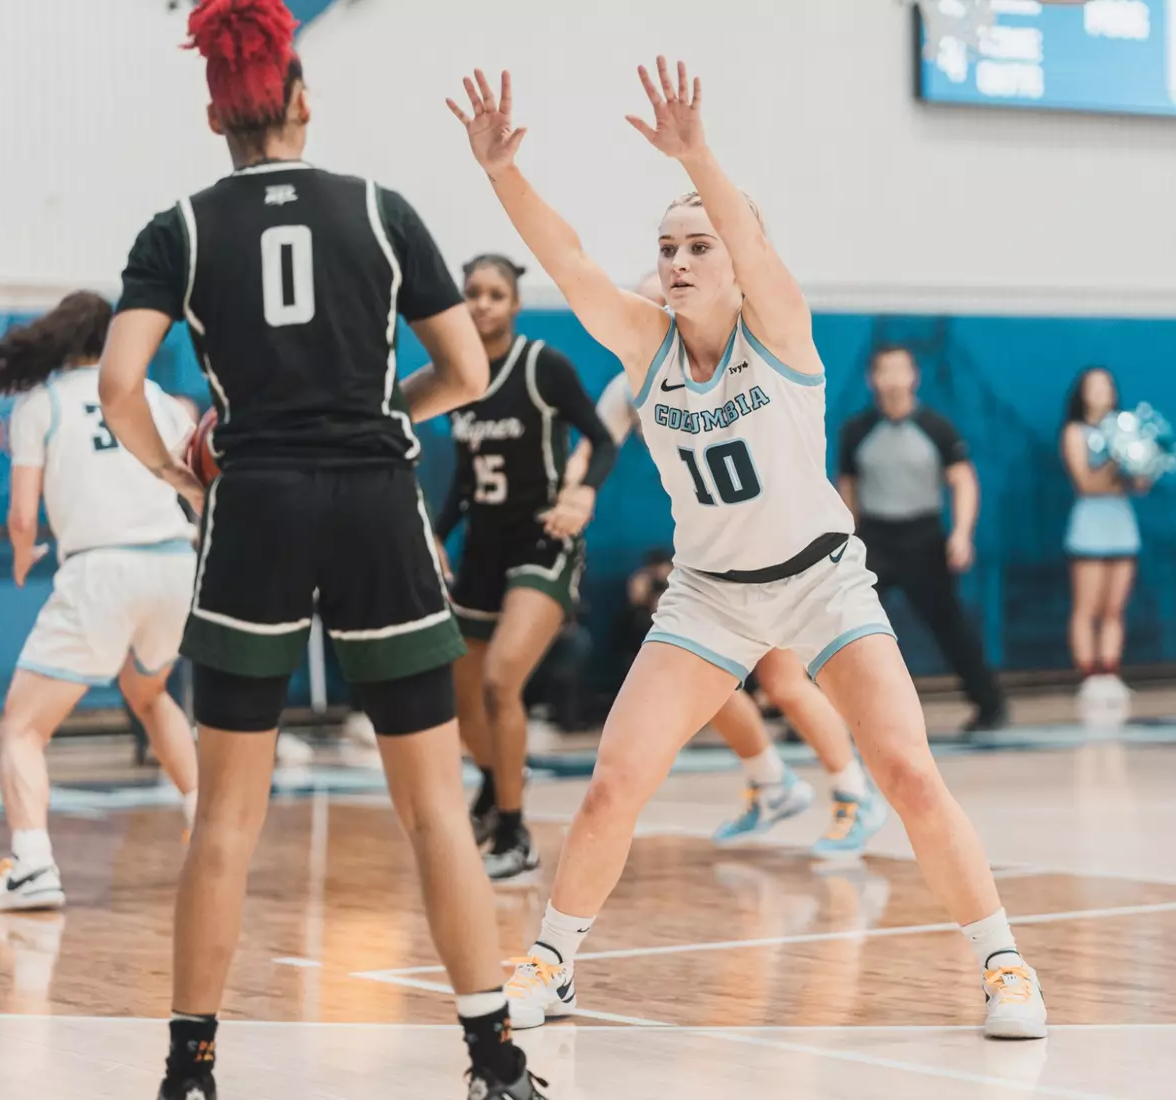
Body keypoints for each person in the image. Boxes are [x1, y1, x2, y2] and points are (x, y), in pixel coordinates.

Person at [448, 59, 1046, 1038]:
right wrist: (502, 173)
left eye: (698, 245)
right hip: (709, 598)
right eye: (667, 246)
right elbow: (569, 261)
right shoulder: (646, 348)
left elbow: (752, 239)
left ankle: (1004, 963)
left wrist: (697, 156)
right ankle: (553, 959)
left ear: (735, 255)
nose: (677, 260)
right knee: (612, 783)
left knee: (905, 768)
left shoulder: (782, 332)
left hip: (821, 583)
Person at [96, 4, 539, 1098]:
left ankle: (191, 1072)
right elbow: (465, 372)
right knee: (436, 803)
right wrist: (392, 406)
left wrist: (175, 467)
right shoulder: (381, 212)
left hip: (255, 504)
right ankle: (494, 1059)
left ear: (215, 112)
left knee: (228, 815)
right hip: (377, 500)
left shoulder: (179, 230)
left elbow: (117, 387)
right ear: (302, 97)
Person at [567, 280, 886, 857]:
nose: (652, 309)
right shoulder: (637, 375)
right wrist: (575, 492)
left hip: (788, 549)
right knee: (703, 678)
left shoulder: (751, 352)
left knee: (785, 682)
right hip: (714, 552)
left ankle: (852, 790)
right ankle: (771, 781)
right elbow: (593, 444)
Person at [0, 292, 202, 912]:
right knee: (149, 693)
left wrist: (21, 554)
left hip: (103, 570)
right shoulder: (159, 398)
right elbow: (197, 484)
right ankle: (208, 825)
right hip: (177, 563)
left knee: (22, 728)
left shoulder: (42, 403)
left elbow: (20, 512)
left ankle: (32, 864)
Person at [434, 252, 617, 882]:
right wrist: (435, 534)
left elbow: (603, 435)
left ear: (514, 304)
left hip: (543, 539)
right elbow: (463, 476)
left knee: (500, 680)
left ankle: (515, 830)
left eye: (494, 294)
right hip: (480, 548)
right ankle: (496, 782)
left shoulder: (542, 365)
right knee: (461, 702)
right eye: (473, 294)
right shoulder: (456, 375)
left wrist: (583, 492)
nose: (482, 303)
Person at [838, 345, 1007, 731]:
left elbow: (963, 480)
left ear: (915, 376)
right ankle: (815, 712)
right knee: (844, 624)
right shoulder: (856, 430)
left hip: (924, 538)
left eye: (902, 370)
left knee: (949, 624)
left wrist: (962, 534)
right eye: (885, 370)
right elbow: (846, 486)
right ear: (872, 379)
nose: (894, 379)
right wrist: (847, 539)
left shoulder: (937, 428)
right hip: (873, 539)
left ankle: (990, 704)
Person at [1061, 367, 1141, 705]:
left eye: (1106, 386)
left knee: (1114, 608)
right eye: (1093, 387)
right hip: (1089, 528)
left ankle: (1110, 671)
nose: (1101, 392)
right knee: (1087, 606)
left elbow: (1139, 484)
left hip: (1121, 525)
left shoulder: (1128, 429)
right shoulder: (1074, 432)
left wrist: (1142, 462)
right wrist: (1115, 459)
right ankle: (1089, 674)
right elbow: (1086, 483)